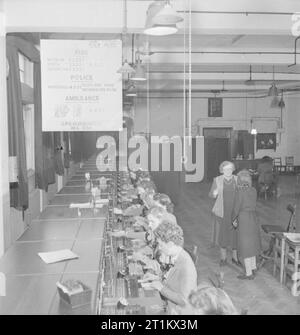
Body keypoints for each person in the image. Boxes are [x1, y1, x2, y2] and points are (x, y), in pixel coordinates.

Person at [143, 220, 197, 314]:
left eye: (160, 244)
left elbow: (185, 301)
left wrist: (161, 288)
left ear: (170, 244)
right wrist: (157, 278)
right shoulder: (175, 256)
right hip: (169, 306)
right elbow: (172, 281)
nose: (159, 247)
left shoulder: (186, 266)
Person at [209, 161, 240, 267]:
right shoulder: (217, 180)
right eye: (226, 169)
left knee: (235, 234)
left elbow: (241, 195)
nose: (228, 171)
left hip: (235, 211)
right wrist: (215, 193)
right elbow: (211, 195)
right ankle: (223, 258)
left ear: (233, 169)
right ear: (222, 170)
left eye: (230, 169)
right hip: (222, 211)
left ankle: (235, 258)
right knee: (223, 234)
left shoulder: (237, 179)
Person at [232, 170, 262, 280]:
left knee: (244, 247)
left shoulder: (239, 192)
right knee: (252, 245)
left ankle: (248, 273)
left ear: (239, 180)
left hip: (243, 219)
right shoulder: (253, 190)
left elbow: (236, 209)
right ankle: (253, 267)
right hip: (253, 218)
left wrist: (233, 220)